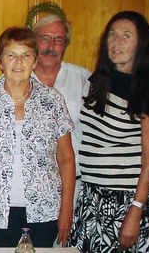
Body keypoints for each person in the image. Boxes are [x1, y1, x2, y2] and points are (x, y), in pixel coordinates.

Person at [0, 27, 75, 248]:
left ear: (34, 61)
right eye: (11, 55)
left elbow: (66, 158)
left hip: (44, 210)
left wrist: (66, 208)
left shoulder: (52, 101)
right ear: (0, 62)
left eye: (26, 55)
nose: (18, 62)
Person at [67, 11, 149, 252]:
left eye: (126, 36)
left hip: (124, 202)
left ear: (140, 45)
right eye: (112, 34)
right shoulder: (98, 81)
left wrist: (136, 210)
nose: (116, 41)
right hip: (90, 198)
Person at [31, 15, 91, 204]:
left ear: (65, 46)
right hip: (31, 186)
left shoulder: (84, 80)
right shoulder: (16, 80)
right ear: (33, 43)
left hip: (75, 185)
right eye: (44, 38)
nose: (51, 46)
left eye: (58, 40)